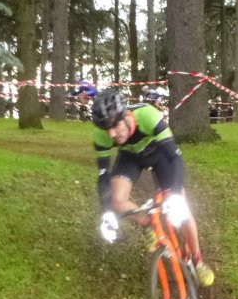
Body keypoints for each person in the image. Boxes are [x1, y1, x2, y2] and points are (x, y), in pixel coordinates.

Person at [91, 89, 215, 288]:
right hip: (130, 157)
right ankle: (148, 223)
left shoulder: (149, 116)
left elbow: (175, 158)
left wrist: (175, 196)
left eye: (114, 126)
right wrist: (106, 213)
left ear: (125, 115)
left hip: (160, 155)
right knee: (116, 200)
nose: (111, 134)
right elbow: (103, 176)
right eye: (106, 129)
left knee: (182, 209)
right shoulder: (101, 135)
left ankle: (197, 260)